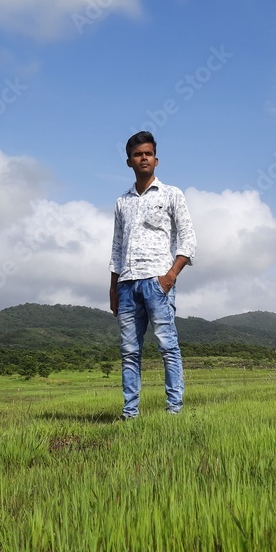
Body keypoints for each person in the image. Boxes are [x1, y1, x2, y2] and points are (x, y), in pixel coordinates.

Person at [109, 131, 197, 418]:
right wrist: (113, 289)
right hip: (126, 285)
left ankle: (174, 411)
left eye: (147, 153)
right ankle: (129, 414)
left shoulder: (172, 194)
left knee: (167, 347)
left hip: (157, 281)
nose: (143, 158)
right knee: (129, 352)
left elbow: (188, 239)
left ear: (156, 160)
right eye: (137, 154)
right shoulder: (122, 202)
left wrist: (170, 276)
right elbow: (117, 247)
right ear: (129, 161)